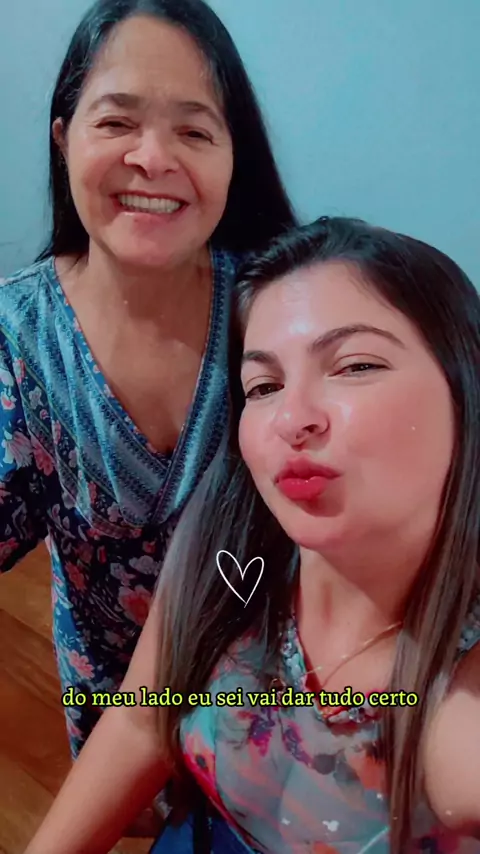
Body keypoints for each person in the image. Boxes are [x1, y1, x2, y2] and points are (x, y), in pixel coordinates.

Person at [24, 216, 480, 854]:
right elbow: (142, 719)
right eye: (264, 386)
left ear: (465, 387)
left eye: (354, 365)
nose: (291, 418)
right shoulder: (234, 543)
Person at [0, 0, 295, 767]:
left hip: (273, 697)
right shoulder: (16, 338)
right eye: (116, 122)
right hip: (112, 697)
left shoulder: (281, 309)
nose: (153, 158)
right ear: (63, 139)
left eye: (194, 132)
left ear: (234, 156)